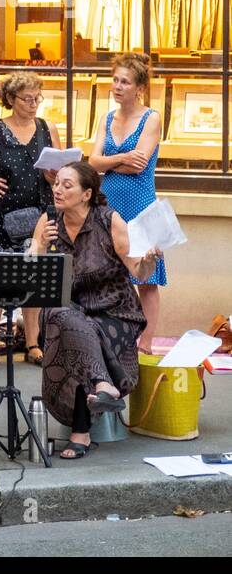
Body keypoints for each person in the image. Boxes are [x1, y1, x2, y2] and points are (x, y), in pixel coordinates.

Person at [28, 162, 161, 459]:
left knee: (77, 332)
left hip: (114, 311)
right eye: (56, 183)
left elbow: (138, 270)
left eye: (67, 185)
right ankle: (103, 384)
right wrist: (39, 248)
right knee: (65, 317)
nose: (58, 190)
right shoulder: (48, 221)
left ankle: (81, 433)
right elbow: (31, 280)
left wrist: (150, 259)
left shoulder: (109, 220)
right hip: (65, 308)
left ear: (87, 193)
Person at [0, 72, 61, 372]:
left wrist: (54, 175)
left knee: (34, 278)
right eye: (27, 99)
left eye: (37, 98)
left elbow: (60, 169)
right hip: (0, 215)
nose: (33, 104)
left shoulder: (47, 128)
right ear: (10, 99)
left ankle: (33, 342)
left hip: (38, 212)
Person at [89, 52, 165, 353]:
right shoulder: (107, 118)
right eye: (115, 80)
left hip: (140, 204)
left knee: (147, 277)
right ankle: (116, 335)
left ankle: (145, 342)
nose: (118, 86)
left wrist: (108, 163)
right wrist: (119, 158)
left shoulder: (151, 118)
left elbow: (139, 165)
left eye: (125, 82)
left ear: (139, 88)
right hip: (108, 203)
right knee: (112, 273)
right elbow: (93, 162)